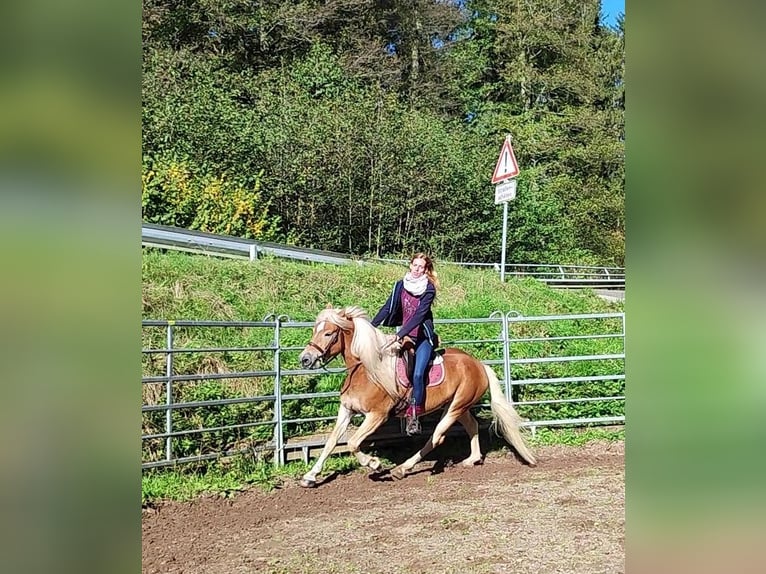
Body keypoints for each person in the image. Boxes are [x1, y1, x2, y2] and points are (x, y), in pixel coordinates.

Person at [371, 253, 440, 435]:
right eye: (415, 265)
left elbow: (419, 316)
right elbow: (387, 308)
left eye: (421, 267)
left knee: (417, 374)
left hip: (422, 338)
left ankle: (414, 416)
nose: (417, 269)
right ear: (410, 266)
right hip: (405, 336)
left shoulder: (429, 289)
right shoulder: (399, 286)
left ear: (425, 269)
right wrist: (370, 327)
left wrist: (398, 334)